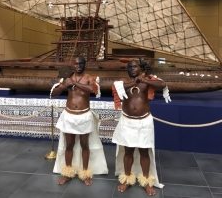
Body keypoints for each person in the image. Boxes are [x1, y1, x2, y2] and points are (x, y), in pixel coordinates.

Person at [112, 59, 170, 196]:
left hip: (144, 121)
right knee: (128, 151)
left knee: (144, 151)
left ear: (140, 68)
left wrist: (144, 80)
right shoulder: (122, 82)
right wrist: (135, 82)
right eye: (130, 67)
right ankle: (126, 179)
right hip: (127, 121)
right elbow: (118, 87)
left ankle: (146, 182)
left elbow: (162, 84)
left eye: (135, 66)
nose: (132, 69)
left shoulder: (148, 80)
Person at [50, 56, 108, 186]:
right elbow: (54, 93)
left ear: (84, 64)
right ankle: (67, 173)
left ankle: (85, 174)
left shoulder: (89, 78)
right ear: (73, 65)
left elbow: (93, 90)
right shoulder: (67, 78)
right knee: (68, 145)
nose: (78, 66)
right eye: (76, 64)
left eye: (81, 63)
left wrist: (75, 83)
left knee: (84, 145)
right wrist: (65, 85)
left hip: (84, 115)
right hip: (69, 115)